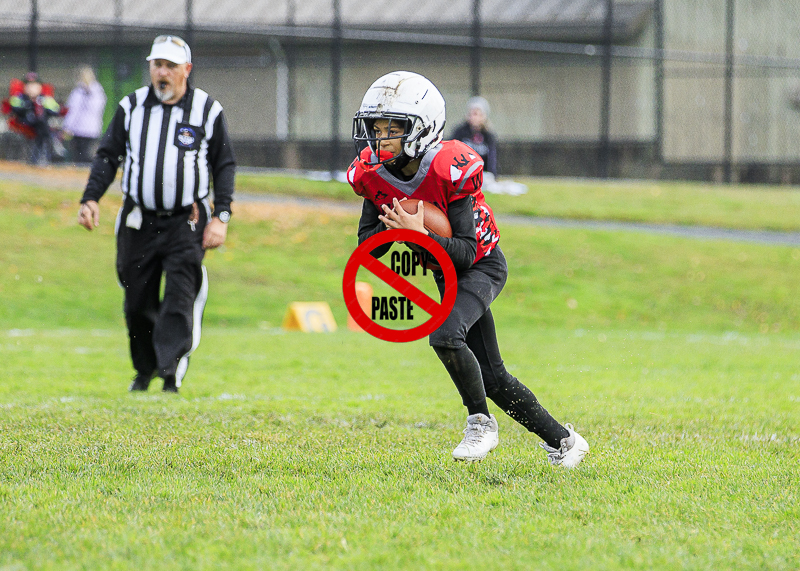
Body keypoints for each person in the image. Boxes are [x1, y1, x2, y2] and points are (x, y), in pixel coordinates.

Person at [348, 71, 588, 467]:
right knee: (494, 378)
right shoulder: (373, 173)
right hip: (445, 273)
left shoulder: (448, 167)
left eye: (392, 128)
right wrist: (397, 232)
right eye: (375, 128)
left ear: (421, 128)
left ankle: (480, 423)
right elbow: (367, 246)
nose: (380, 138)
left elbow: (464, 250)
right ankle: (565, 442)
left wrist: (419, 233)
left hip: (480, 266)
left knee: (444, 336)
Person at [77, 35, 235, 393]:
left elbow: (224, 165)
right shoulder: (131, 106)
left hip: (187, 220)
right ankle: (144, 370)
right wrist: (91, 199)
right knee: (137, 301)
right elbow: (107, 155)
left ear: (186, 70)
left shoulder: (206, 110)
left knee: (180, 299)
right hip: (138, 219)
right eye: (157, 65)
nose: (162, 73)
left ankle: (170, 374)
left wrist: (221, 216)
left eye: (170, 66)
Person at [7, 72, 61, 165]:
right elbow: (15, 109)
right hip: (24, 123)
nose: (31, 89)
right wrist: (28, 105)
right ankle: (47, 152)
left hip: (41, 125)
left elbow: (56, 110)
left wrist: (43, 106)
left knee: (42, 125)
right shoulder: (19, 97)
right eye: (29, 86)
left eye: (34, 86)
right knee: (42, 127)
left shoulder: (45, 98)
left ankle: (40, 155)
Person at [62, 66, 107, 164]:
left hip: (81, 129)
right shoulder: (98, 91)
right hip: (92, 129)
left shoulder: (81, 92)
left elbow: (73, 111)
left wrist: (67, 126)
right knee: (86, 155)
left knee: (80, 156)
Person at [450, 96, 498, 177]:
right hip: (461, 173)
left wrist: (492, 176)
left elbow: (492, 160)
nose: (475, 118)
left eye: (478, 114)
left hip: (482, 175)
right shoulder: (460, 132)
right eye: (472, 114)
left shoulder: (488, 136)